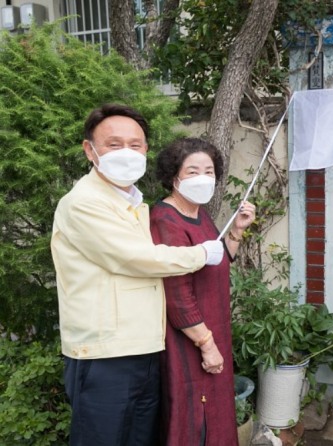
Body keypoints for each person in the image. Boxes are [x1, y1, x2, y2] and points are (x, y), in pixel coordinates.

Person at [51, 104, 225, 446]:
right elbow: (134, 258)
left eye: (135, 144)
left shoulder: (133, 204)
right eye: (114, 145)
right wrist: (201, 254)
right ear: (90, 150)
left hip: (145, 348)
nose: (127, 153)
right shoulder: (83, 202)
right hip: (104, 353)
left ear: (146, 149)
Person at [150, 137, 255, 446]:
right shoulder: (165, 219)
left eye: (209, 171)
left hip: (211, 328)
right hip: (189, 338)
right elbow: (177, 294)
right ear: (174, 176)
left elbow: (216, 261)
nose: (203, 178)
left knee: (216, 412)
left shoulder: (199, 213)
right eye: (193, 171)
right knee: (195, 417)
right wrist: (206, 344)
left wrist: (236, 231)